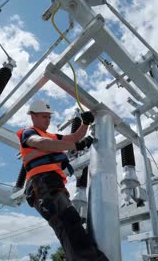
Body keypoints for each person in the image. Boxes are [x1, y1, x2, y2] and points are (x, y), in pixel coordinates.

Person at [17, 100, 108, 261]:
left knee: (71, 222)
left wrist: (85, 124)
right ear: (33, 116)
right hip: (41, 183)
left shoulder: (51, 136)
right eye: (44, 116)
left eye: (49, 117)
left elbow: (74, 137)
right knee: (68, 223)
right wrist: (76, 146)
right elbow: (41, 143)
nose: (47, 120)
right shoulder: (29, 133)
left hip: (52, 185)